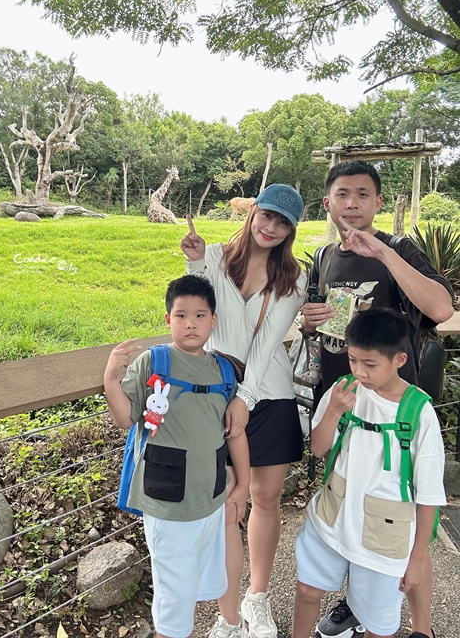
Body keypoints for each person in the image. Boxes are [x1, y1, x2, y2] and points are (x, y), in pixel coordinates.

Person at [300, 159, 454, 638]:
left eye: (363, 194)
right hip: (343, 402)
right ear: (327, 203)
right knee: (351, 509)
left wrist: (385, 254)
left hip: (396, 409)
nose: (352, 203)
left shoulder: (400, 248)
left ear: (378, 202)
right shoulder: (325, 257)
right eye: (342, 194)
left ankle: (421, 627)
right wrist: (308, 320)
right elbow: (318, 327)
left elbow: (442, 308)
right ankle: (358, 603)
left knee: (402, 515)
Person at [181, 184, 307, 638]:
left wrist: (245, 400)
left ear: (291, 230)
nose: (271, 228)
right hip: (214, 394)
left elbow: (268, 345)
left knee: (266, 499)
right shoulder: (214, 256)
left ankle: (258, 597)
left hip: (268, 396)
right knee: (226, 506)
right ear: (253, 212)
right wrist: (195, 261)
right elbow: (198, 311)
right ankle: (229, 614)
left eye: (283, 223)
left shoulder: (293, 277)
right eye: (267, 216)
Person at [104, 274, 251, 638]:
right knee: (173, 593)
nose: (191, 324)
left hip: (212, 499)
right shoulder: (153, 363)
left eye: (200, 316)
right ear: (168, 320)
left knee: (201, 576)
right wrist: (110, 378)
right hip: (167, 503)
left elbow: (234, 432)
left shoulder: (224, 370)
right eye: (181, 315)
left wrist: (243, 484)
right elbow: (125, 419)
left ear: (213, 321)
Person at [291, 308, 446, 638]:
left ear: (399, 359)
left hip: (384, 538)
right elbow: (318, 449)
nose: (359, 372)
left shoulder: (419, 413)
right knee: (306, 591)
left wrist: (417, 557)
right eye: (353, 360)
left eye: (370, 364)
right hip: (331, 520)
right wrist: (333, 411)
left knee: (378, 623)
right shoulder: (344, 390)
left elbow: (429, 493)